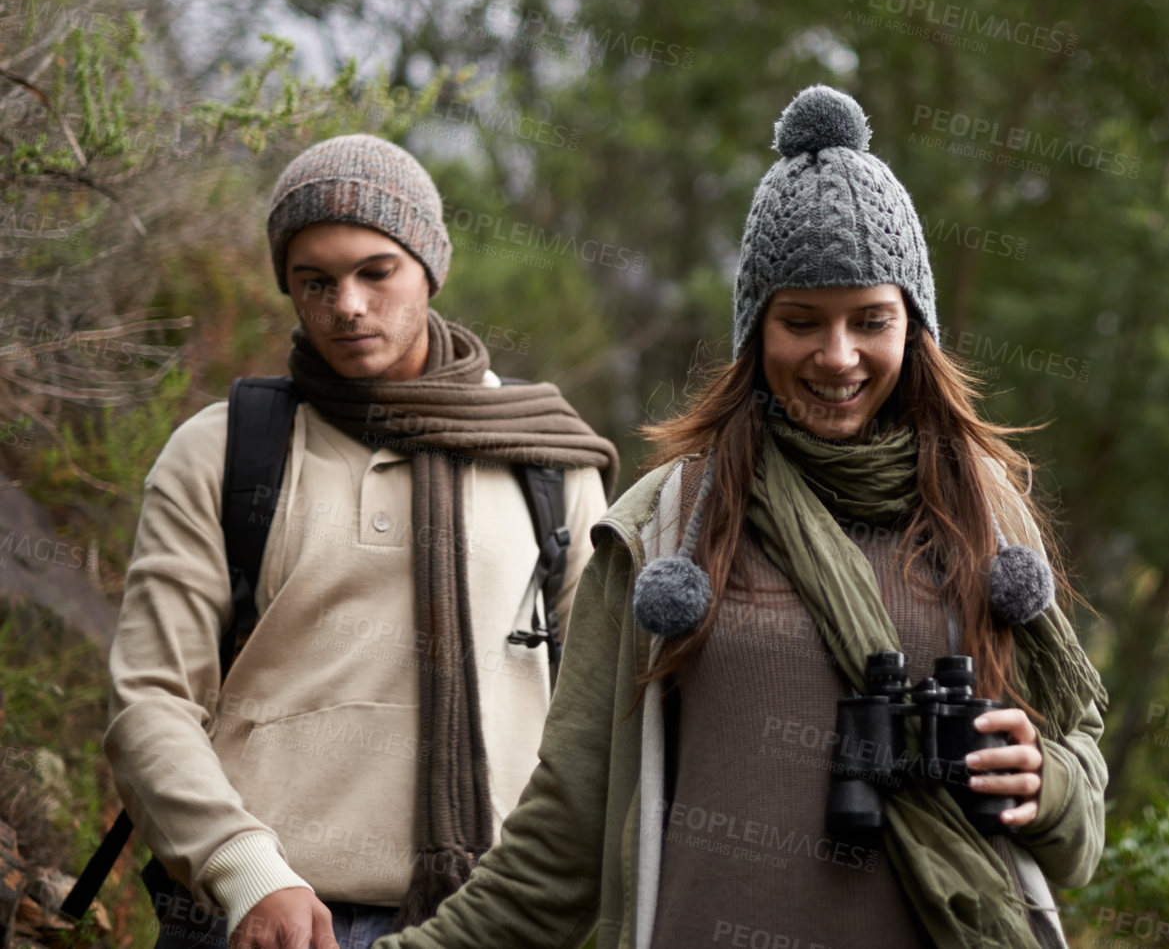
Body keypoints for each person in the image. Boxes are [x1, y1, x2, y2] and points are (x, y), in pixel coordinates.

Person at [369, 85, 1108, 949]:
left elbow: (1077, 794)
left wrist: (1046, 782)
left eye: (871, 320)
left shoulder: (984, 513)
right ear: (755, 332)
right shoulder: (668, 528)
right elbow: (564, 838)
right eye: (802, 322)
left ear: (915, 328)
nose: (838, 357)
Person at [103, 134, 620, 949]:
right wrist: (246, 872)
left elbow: (600, 715)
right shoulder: (224, 451)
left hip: (489, 921)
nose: (347, 304)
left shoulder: (543, 456)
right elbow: (149, 701)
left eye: (375, 272)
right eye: (316, 280)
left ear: (429, 269)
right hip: (255, 919)